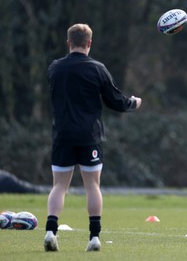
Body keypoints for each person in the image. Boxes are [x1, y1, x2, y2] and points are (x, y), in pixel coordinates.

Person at [44, 23, 142, 252]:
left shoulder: (55, 68)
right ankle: (94, 237)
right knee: (92, 186)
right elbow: (115, 100)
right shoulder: (97, 69)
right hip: (89, 136)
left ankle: (50, 231)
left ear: (68, 42)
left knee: (59, 186)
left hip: (62, 135)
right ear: (89, 43)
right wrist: (133, 103)